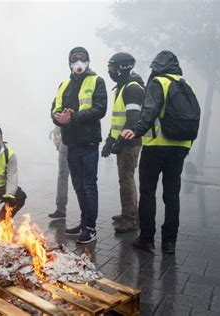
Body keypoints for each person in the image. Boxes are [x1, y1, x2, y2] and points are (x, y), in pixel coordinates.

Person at [121, 50, 195, 254]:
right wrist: (187, 146)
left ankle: (146, 239)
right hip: (180, 147)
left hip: (156, 147)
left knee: (148, 193)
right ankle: (170, 242)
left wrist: (136, 130)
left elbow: (149, 111)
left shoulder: (158, 83)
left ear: (157, 67)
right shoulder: (186, 85)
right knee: (172, 195)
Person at [51, 47, 107, 243]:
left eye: (82, 58)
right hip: (71, 142)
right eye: (74, 59)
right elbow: (54, 108)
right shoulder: (64, 84)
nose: (78, 62)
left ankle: (90, 228)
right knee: (78, 186)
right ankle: (84, 223)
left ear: (88, 61)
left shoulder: (97, 81)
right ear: (69, 62)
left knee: (89, 185)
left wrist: (73, 117)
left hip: (89, 142)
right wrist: (59, 118)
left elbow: (100, 109)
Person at [101, 52, 144, 233]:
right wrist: (110, 140)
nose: (110, 72)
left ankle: (130, 218)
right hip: (123, 141)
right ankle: (128, 211)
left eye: (112, 68)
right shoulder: (123, 87)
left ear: (122, 68)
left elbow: (133, 119)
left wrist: (119, 141)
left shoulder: (132, 88)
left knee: (126, 179)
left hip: (130, 142)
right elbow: (118, 120)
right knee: (123, 178)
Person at [48, 126, 69, 219]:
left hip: (79, 143)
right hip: (65, 143)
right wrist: (57, 133)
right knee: (62, 177)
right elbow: (59, 116)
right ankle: (60, 209)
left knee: (81, 181)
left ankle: (86, 215)